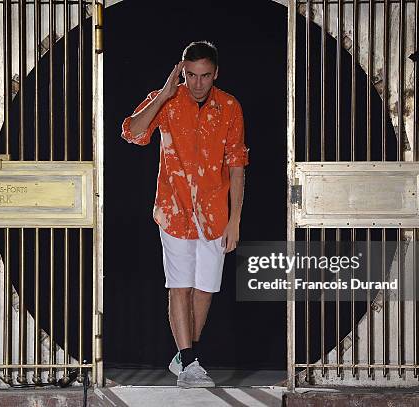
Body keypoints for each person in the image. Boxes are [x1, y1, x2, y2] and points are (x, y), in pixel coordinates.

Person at [121, 41, 249, 388]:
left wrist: (235, 219)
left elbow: (237, 165)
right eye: (190, 75)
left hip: (214, 214)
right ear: (181, 71)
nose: (197, 83)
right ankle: (191, 361)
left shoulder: (229, 107)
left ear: (215, 74)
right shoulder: (167, 101)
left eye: (205, 76)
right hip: (173, 209)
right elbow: (132, 133)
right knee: (179, 286)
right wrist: (163, 95)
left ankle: (183, 357)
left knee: (204, 289)